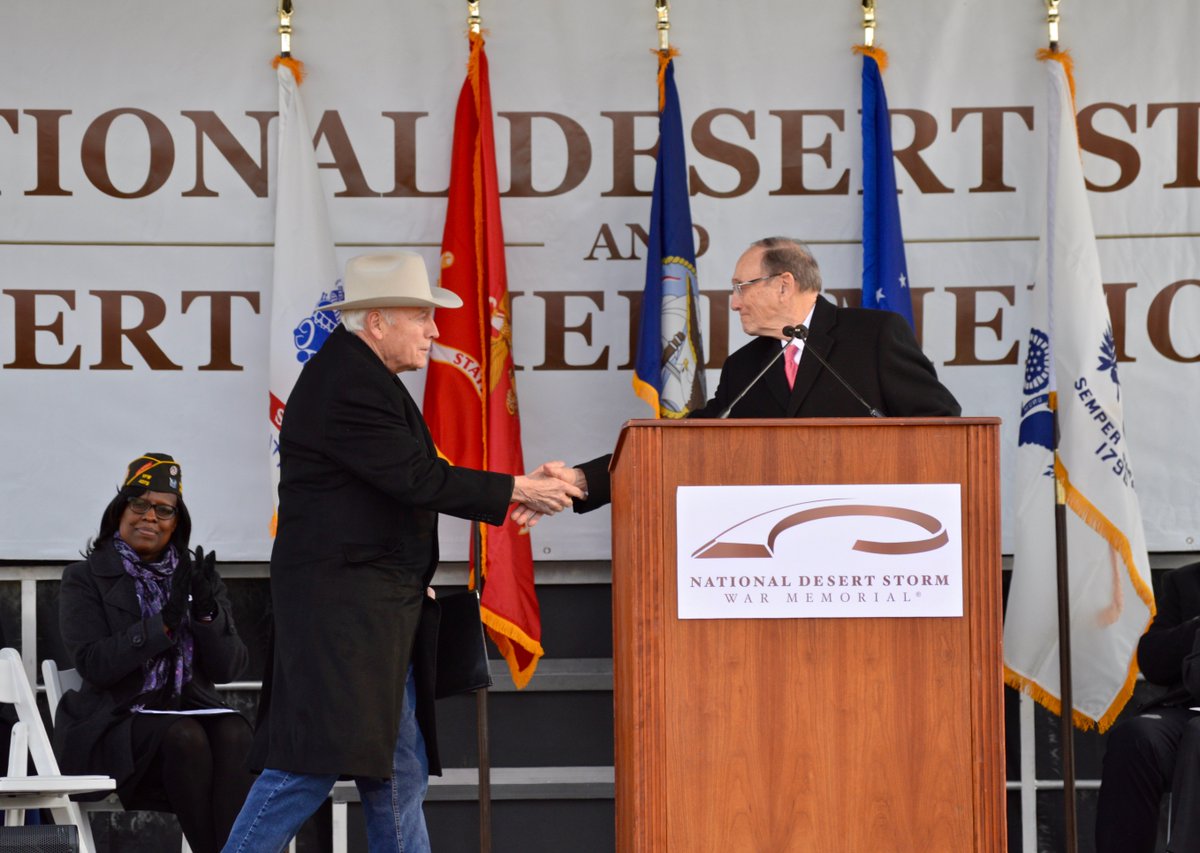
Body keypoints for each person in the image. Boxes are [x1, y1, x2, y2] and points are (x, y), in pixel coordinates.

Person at [223, 251, 581, 853]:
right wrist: (520, 489)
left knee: (398, 768)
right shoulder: (348, 383)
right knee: (306, 767)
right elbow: (416, 478)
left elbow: (396, 488)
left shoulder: (364, 376)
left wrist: (419, 568)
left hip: (374, 611)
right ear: (377, 322)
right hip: (343, 617)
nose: (435, 331)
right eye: (422, 318)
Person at [530, 236, 961, 513]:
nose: (734, 304)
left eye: (741, 288)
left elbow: (942, 426)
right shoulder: (746, 366)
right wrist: (587, 479)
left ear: (783, 284)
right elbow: (688, 444)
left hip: (874, 533)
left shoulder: (873, 336)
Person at [53, 452, 254, 853]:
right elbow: (93, 665)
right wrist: (163, 624)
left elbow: (229, 668)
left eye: (164, 510)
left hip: (183, 715)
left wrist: (206, 612)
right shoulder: (84, 578)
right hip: (115, 725)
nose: (150, 517)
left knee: (234, 730)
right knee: (185, 735)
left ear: (177, 523)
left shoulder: (196, 577)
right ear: (119, 512)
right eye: (139, 504)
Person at [1096, 561, 1200, 852]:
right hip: (1189, 704)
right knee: (1136, 738)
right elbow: (1153, 663)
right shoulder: (1186, 581)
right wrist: (1195, 628)